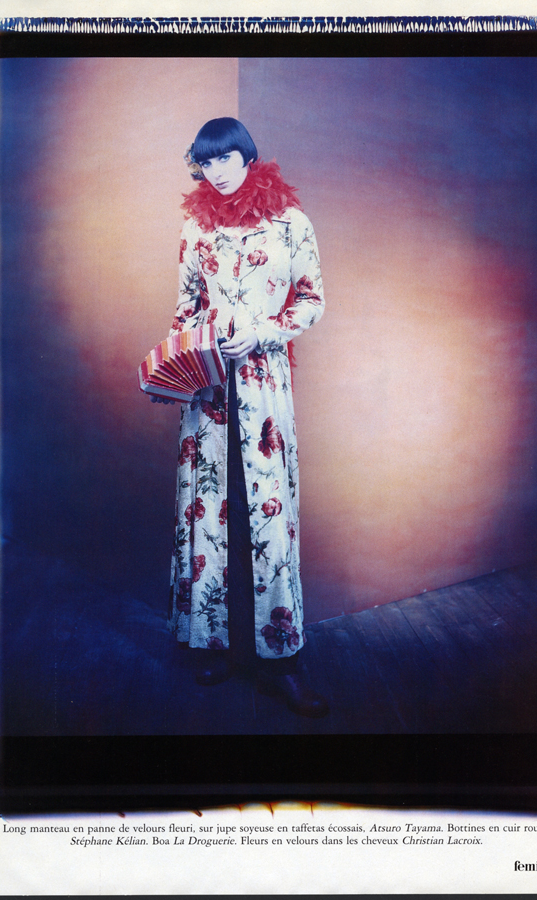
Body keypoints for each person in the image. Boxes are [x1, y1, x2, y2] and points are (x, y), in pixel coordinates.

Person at [165, 117, 327, 717]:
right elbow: (186, 308)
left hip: (262, 387)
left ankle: (280, 661)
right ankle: (213, 644)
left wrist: (261, 332)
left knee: (266, 512)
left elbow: (312, 300)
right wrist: (176, 363)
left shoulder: (290, 222)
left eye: (227, 159)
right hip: (208, 390)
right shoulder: (195, 226)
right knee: (211, 510)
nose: (218, 172)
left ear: (248, 157)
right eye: (206, 163)